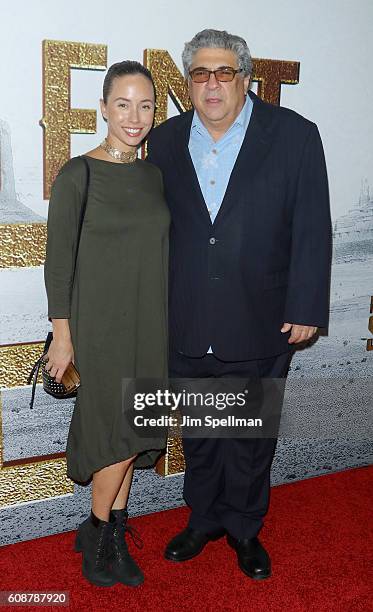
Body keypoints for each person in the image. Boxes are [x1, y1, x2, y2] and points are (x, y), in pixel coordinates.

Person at [147, 29, 332, 580]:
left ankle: (246, 529)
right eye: (200, 73)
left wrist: (306, 305)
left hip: (263, 314)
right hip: (186, 315)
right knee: (201, 433)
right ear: (188, 82)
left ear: (246, 78)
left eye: (223, 72)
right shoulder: (164, 140)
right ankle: (203, 519)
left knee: (249, 436)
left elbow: (311, 227)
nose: (212, 84)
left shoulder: (295, 135)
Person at [44, 61, 170, 587]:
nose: (134, 116)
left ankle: (112, 528)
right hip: (99, 329)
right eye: (123, 104)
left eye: (145, 105)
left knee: (137, 427)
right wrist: (64, 337)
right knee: (114, 434)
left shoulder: (154, 174)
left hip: (150, 324)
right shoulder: (79, 174)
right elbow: (59, 263)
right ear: (102, 108)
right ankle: (99, 535)